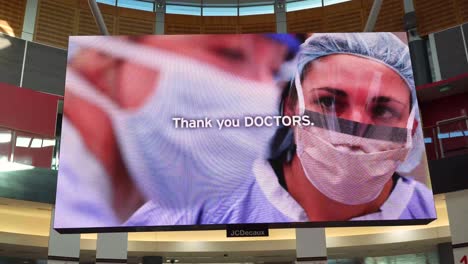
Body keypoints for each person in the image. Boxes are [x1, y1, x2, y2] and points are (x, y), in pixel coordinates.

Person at [54, 34, 303, 228]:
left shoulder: (99, 201)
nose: (259, 94)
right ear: (104, 49)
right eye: (229, 52)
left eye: (274, 70)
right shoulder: (62, 207)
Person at [261, 33, 437, 221]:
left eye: (383, 111)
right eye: (328, 102)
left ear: (411, 130)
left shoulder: (426, 209)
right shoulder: (230, 206)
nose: (355, 129)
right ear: (291, 109)